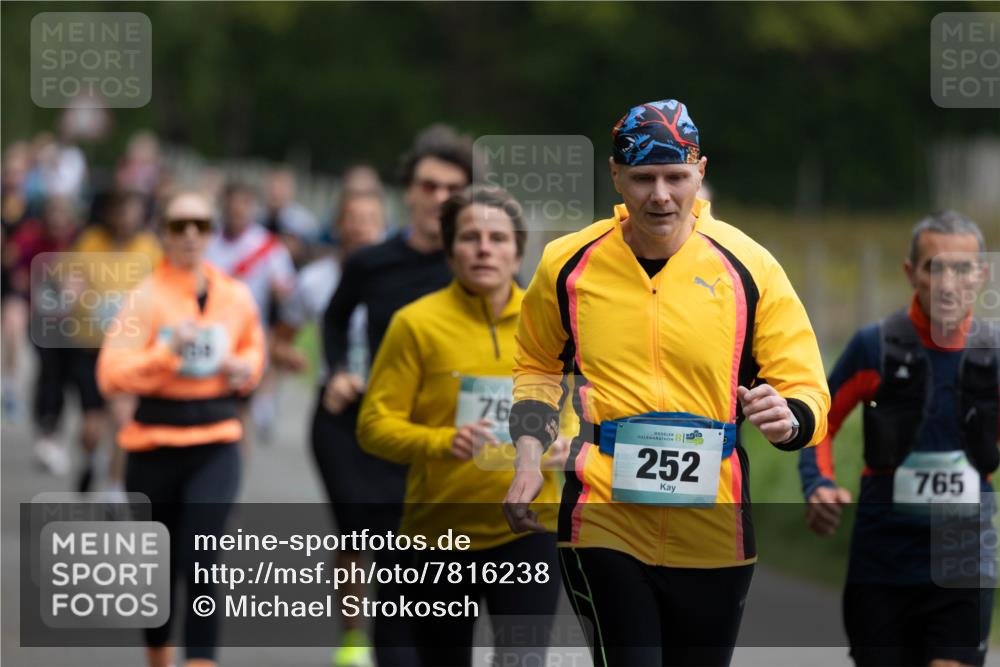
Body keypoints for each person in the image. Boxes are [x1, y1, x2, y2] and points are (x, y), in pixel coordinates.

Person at [502, 99, 831, 666]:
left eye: (676, 177)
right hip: (601, 514)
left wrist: (791, 417)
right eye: (643, 178)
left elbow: (806, 387)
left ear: (700, 171)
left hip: (715, 525)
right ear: (615, 176)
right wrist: (529, 456)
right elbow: (536, 366)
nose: (660, 195)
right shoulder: (567, 265)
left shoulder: (749, 266)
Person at [358, 186, 573, 666]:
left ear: (519, 250)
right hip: (438, 535)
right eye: (470, 237)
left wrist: (565, 442)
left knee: (522, 660)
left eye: (498, 238)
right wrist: (440, 441)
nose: (483, 248)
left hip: (529, 532)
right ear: (449, 249)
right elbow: (373, 425)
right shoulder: (415, 324)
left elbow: (574, 413)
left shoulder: (553, 324)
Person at [799, 210, 997, 667]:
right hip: (883, 555)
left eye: (963, 269)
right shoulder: (875, 346)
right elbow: (819, 419)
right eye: (935, 268)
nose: (949, 284)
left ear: (981, 274)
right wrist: (819, 483)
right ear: (912, 273)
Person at [321, 124, 474, 666]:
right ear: (407, 190)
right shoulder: (371, 261)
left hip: (445, 435)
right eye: (427, 185)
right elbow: (336, 318)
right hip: (368, 428)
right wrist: (338, 368)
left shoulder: (479, 266)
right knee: (381, 551)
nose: (438, 198)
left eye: (450, 188)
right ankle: (358, 638)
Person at [97, 191, 265, 667]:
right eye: (178, 225)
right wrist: (167, 354)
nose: (190, 234)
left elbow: (255, 348)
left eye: (200, 225)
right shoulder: (144, 298)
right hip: (152, 446)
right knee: (160, 572)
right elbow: (111, 373)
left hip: (216, 442)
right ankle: (158, 655)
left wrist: (244, 368)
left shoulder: (236, 296)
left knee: (201, 557)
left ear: (211, 233)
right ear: (163, 234)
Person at [272, 188, 385, 667]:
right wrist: (290, 355)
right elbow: (279, 339)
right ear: (338, 225)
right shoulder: (316, 280)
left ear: (382, 225)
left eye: (368, 218)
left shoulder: (400, 277)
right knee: (354, 529)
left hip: (394, 414)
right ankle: (354, 637)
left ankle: (398, 629)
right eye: (351, 218)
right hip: (335, 415)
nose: (359, 226)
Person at [65, 189, 162, 493]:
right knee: (91, 428)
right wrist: (71, 293)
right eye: (121, 211)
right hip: (91, 346)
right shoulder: (91, 241)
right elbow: (73, 276)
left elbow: (161, 290)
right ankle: (92, 458)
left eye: (133, 211)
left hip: (129, 350)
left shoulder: (149, 248)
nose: (126, 218)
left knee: (123, 419)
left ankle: (115, 487)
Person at [205, 182, 296, 442]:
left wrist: (282, 291)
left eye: (244, 205)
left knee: (238, 413)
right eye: (233, 205)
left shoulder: (267, 247)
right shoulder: (208, 240)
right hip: (209, 333)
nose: (238, 211)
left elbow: (286, 288)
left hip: (246, 339)